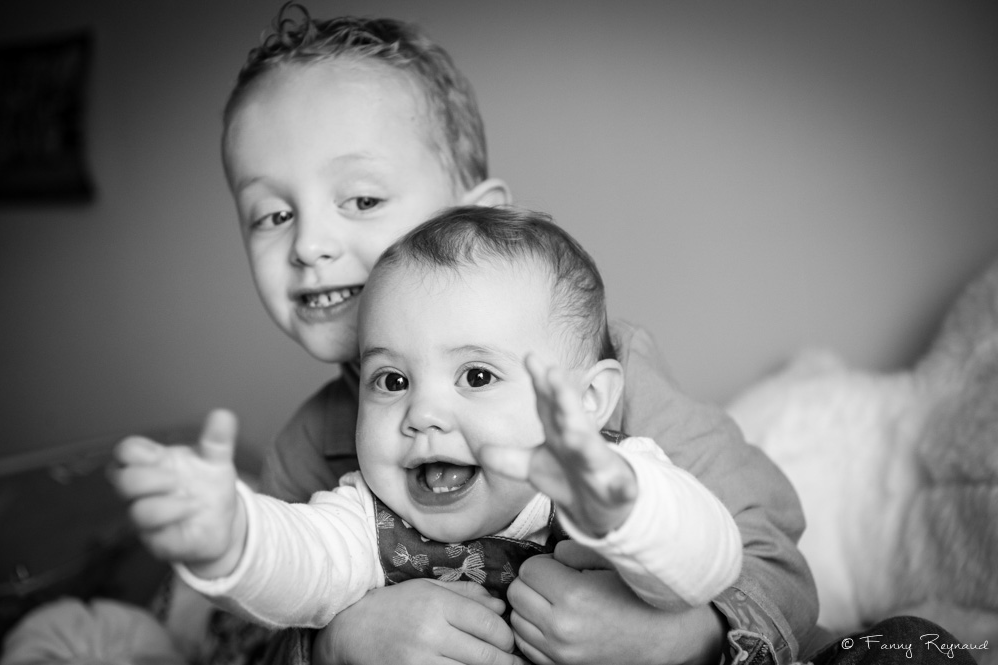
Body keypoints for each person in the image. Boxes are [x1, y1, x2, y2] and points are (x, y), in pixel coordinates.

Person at [151, 4, 821, 664]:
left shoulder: (608, 373)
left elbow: (772, 558)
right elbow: (278, 590)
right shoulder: (306, 451)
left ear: (480, 217)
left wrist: (688, 636)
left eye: (361, 199)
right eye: (271, 214)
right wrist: (335, 643)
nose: (311, 244)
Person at [112, 207, 745, 646]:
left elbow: (708, 565)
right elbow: (301, 563)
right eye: (391, 381)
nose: (422, 414)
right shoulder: (370, 521)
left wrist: (629, 507)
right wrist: (232, 537)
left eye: (475, 377)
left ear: (588, 402)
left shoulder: (615, 476)